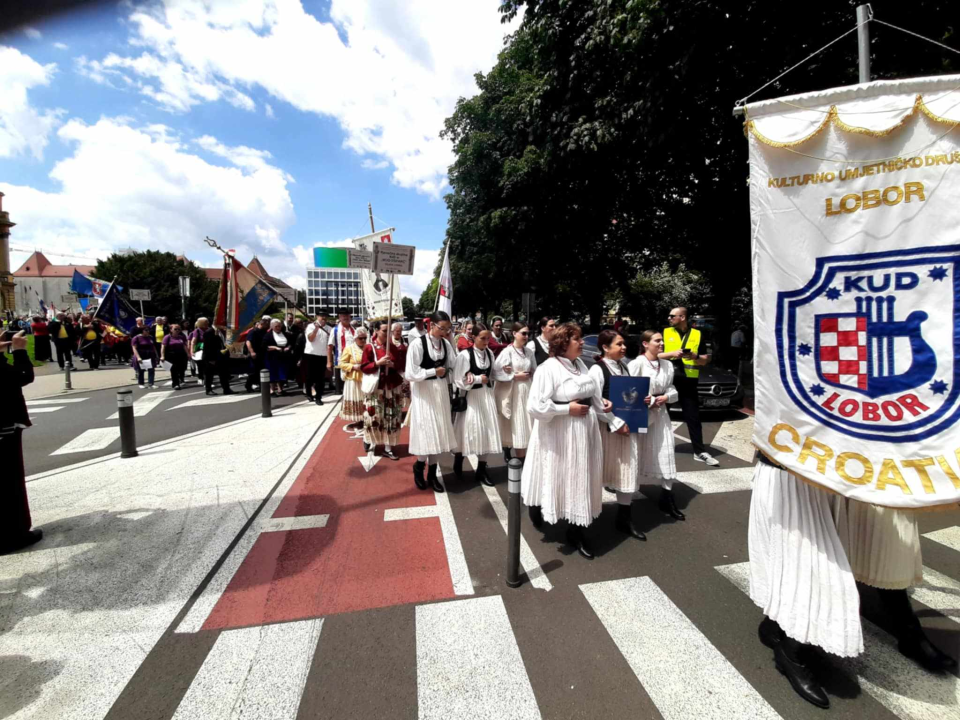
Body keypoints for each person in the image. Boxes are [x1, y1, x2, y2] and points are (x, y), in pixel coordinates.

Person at [521, 323, 613, 559]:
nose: (582, 342)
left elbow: (591, 394)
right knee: (557, 472)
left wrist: (602, 403)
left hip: (584, 433)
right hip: (559, 434)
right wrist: (565, 409)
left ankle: (577, 528)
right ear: (562, 343)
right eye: (577, 339)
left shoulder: (581, 364)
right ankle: (538, 504)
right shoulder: (547, 368)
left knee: (580, 476)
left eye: (581, 339)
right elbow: (535, 406)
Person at [589, 330, 645, 540]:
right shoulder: (597, 370)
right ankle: (588, 515)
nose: (624, 348)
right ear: (605, 347)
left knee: (627, 470)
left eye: (624, 344)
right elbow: (595, 404)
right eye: (619, 344)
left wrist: (643, 400)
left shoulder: (624, 366)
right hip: (607, 431)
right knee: (599, 472)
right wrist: (615, 422)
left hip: (626, 428)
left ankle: (624, 517)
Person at [629, 331, 685, 521]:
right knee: (636, 452)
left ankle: (667, 496)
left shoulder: (667, 365)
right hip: (642, 415)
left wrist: (666, 397)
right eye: (657, 341)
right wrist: (649, 399)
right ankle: (626, 494)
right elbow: (628, 390)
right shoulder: (637, 364)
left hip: (661, 414)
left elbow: (671, 388)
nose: (661, 344)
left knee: (666, 449)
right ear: (645, 343)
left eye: (662, 340)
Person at [1, 331, 43, 555]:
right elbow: (23, 375)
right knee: (10, 483)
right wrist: (18, 350)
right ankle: (15, 534)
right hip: (4, 433)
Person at [405, 310, 457, 493]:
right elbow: (411, 373)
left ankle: (432, 474)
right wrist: (432, 372)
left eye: (447, 329)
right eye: (442, 328)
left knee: (439, 432)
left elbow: (454, 364)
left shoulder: (446, 344)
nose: (444, 332)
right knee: (427, 431)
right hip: (424, 394)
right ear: (431, 325)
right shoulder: (417, 345)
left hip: (440, 392)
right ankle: (419, 466)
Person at [660, 307, 718, 466]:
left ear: (683, 317)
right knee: (659, 415)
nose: (669, 318)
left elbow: (705, 360)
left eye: (673, 316)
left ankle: (700, 451)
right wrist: (672, 353)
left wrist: (694, 356)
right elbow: (653, 355)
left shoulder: (698, 334)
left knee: (693, 417)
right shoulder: (665, 332)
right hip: (668, 380)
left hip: (689, 381)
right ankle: (652, 448)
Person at [451, 328, 502, 486]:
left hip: (486, 396)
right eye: (483, 338)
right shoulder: (465, 355)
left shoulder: (489, 354)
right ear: (473, 337)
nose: (486, 342)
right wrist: (478, 379)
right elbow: (458, 380)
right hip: (471, 398)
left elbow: (493, 373)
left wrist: (508, 372)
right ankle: (459, 458)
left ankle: (481, 469)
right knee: (467, 430)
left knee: (487, 431)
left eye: (488, 339)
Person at [492, 322, 536, 465]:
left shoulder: (529, 352)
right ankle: (519, 460)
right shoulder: (507, 352)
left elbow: (534, 370)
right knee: (517, 424)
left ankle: (525, 459)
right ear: (514, 334)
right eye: (523, 333)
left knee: (527, 423)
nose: (526, 336)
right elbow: (495, 372)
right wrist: (513, 376)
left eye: (527, 333)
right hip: (514, 393)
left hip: (527, 391)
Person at [359, 322, 403, 460]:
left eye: (389, 331)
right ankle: (369, 438)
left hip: (391, 387)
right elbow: (364, 367)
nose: (387, 333)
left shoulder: (393, 347)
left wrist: (393, 365)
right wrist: (377, 364)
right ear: (376, 331)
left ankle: (388, 447)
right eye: (384, 330)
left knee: (391, 417)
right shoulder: (369, 347)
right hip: (377, 388)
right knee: (374, 416)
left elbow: (401, 365)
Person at [337, 326, 368, 427]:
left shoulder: (369, 347)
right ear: (355, 338)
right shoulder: (349, 349)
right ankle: (358, 419)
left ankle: (367, 417)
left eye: (364, 338)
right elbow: (341, 363)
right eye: (360, 338)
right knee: (356, 398)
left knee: (366, 399)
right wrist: (353, 366)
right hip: (354, 379)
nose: (363, 340)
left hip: (367, 378)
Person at [302, 312, 330, 405]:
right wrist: (316, 329)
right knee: (309, 376)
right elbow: (310, 339)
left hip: (322, 355)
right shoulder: (310, 326)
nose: (323, 318)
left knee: (320, 378)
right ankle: (309, 393)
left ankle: (319, 396)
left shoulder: (329, 328)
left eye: (325, 316)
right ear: (317, 317)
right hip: (311, 354)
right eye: (322, 316)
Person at [327, 308, 356, 394]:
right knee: (340, 387)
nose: (346, 317)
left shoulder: (354, 330)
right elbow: (330, 346)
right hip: (340, 360)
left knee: (351, 385)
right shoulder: (335, 330)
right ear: (339, 317)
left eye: (347, 315)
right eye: (343, 316)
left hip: (352, 361)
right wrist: (329, 361)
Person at [262, 319, 293, 397]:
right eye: (276, 326)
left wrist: (288, 348)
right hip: (272, 357)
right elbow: (264, 346)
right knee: (273, 373)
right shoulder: (268, 335)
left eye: (279, 326)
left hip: (283, 356)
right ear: (272, 326)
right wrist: (275, 348)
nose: (278, 328)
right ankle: (272, 390)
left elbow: (290, 343)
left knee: (282, 373)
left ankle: (280, 389)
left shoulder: (285, 334)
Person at [243, 316, 270, 393]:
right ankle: (248, 385)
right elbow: (248, 342)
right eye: (266, 324)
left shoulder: (264, 332)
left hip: (262, 353)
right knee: (254, 371)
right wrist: (252, 352)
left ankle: (262, 386)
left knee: (262, 370)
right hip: (255, 354)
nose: (267, 326)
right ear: (262, 324)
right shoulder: (253, 331)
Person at [161, 324, 190, 389]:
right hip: (171, 355)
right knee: (174, 370)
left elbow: (184, 346)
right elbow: (163, 347)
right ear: (171, 330)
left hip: (181, 355)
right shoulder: (167, 337)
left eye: (178, 329)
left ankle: (180, 379)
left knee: (182, 369)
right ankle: (175, 384)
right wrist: (162, 356)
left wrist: (188, 354)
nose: (177, 330)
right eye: (175, 329)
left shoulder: (181, 337)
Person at [131, 324, 159, 388]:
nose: (148, 331)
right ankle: (141, 383)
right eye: (146, 330)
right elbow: (134, 348)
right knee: (141, 370)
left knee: (151, 370)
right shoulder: (136, 338)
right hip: (141, 355)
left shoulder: (150, 337)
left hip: (150, 355)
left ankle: (151, 383)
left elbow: (153, 347)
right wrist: (138, 357)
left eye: (148, 330)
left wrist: (156, 355)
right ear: (141, 331)